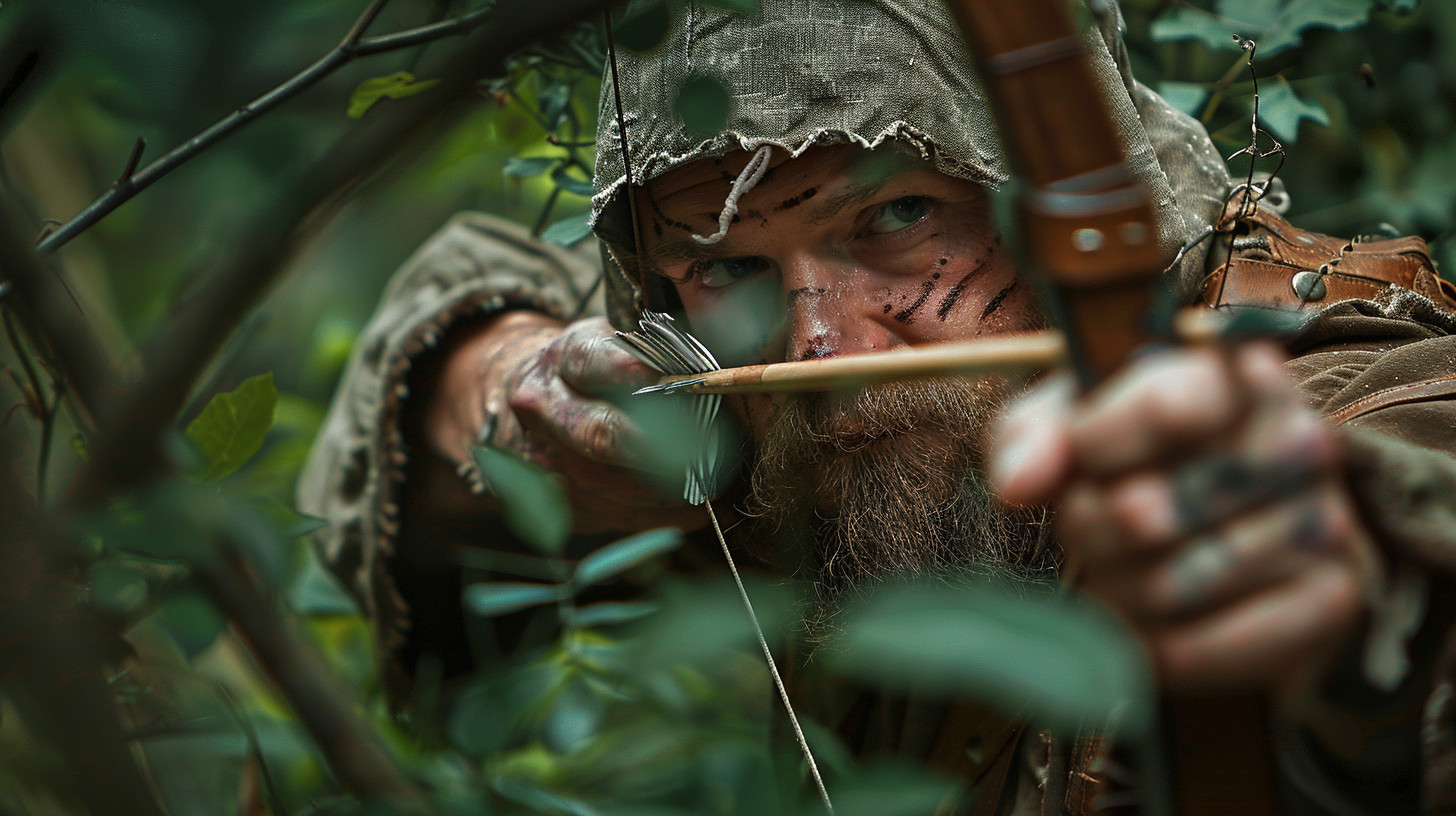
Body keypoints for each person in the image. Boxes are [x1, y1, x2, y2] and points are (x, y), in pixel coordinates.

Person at [299, 0, 1456, 812]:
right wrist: (517, 392)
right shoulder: (774, 423)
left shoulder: (1339, 381)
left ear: (1049, 199)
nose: (825, 346)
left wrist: (1352, 577)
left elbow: (1408, 467)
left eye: (896, 217)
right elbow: (425, 349)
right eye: (730, 266)